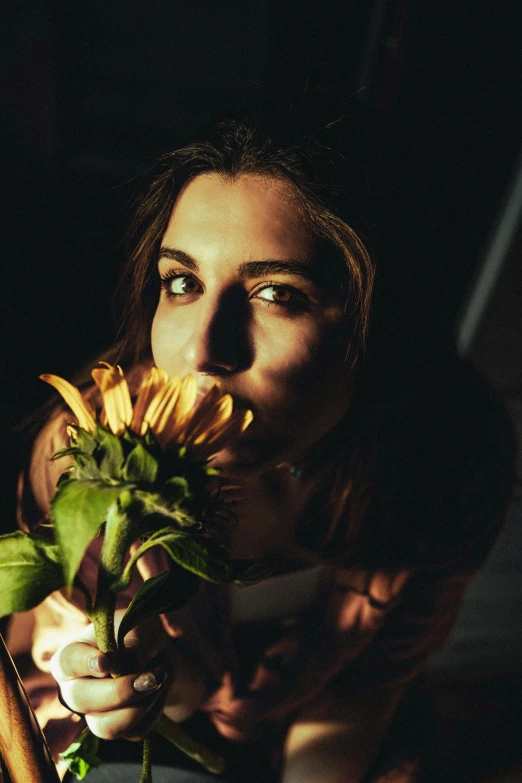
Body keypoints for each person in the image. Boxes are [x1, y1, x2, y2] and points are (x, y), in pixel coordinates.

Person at [9, 119, 516, 782]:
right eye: (182, 283)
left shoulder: (449, 464)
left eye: (277, 293)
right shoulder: (93, 455)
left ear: (379, 321)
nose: (201, 352)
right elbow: (84, 654)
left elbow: (360, 691)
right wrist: (112, 666)